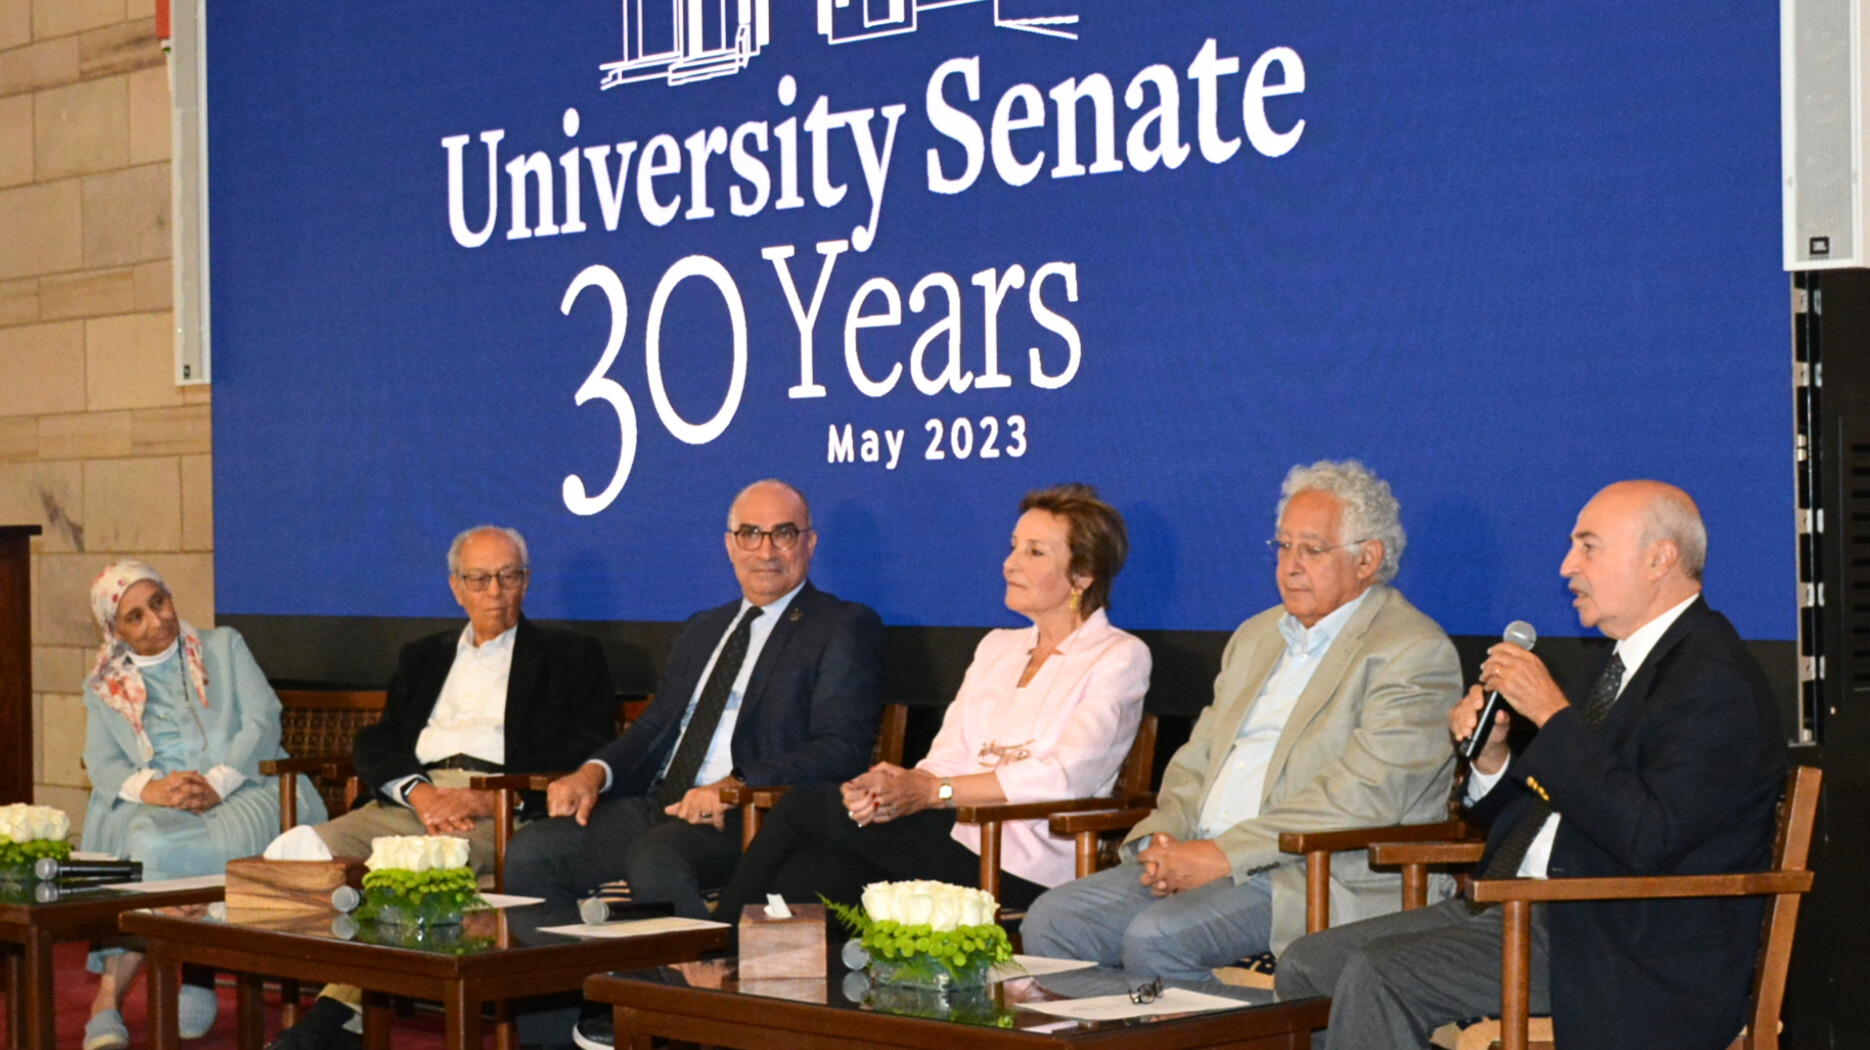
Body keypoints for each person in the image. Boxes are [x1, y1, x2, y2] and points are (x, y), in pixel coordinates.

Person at [1275, 481, 1787, 1050]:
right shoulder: (1617, 667)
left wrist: (1552, 714)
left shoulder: (1714, 681)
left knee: (1378, 974)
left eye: (1589, 547)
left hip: (1618, 944)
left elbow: (1650, 836)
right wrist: (1494, 756)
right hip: (1522, 910)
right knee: (1307, 964)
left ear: (1660, 558)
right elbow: (1552, 810)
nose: (1568, 566)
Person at [1021, 460, 1462, 983]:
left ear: (1368, 559)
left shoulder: (1411, 650)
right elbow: (1197, 759)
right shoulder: (1256, 637)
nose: (1291, 564)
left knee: (1158, 938)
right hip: (1208, 854)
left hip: (1309, 872)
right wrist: (1163, 839)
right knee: (1054, 921)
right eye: (1284, 546)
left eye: (1312, 549)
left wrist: (1223, 855)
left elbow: (1361, 798)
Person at [503, 479, 883, 1050]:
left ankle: (682, 1027)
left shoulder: (842, 625)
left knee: (658, 857)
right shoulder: (703, 628)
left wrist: (736, 785)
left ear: (809, 543)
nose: (766, 549)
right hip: (662, 801)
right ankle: (576, 1018)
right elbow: (656, 727)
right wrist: (593, 773)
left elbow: (841, 747)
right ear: (729, 545)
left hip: (750, 815)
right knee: (533, 855)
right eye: (750, 534)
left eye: (783, 533)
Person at [713, 483, 1151, 920]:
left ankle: (705, 944)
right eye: (1013, 547)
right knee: (814, 874)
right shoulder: (997, 647)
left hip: (1023, 863)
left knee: (807, 806)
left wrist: (933, 792)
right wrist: (895, 788)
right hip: (950, 835)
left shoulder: (1118, 656)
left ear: (1083, 575)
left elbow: (1063, 780)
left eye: (1034, 553)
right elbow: (945, 760)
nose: (1009, 564)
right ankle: (741, 974)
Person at [268, 525, 616, 1050]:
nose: (495, 592)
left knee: (412, 877)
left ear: (527, 582)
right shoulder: (423, 656)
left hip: (494, 807)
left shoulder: (569, 655)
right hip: (413, 798)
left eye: (508, 577)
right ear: (456, 587)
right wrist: (420, 794)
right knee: (293, 858)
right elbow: (380, 740)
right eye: (480, 579)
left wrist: (488, 795)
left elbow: (586, 746)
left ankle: (337, 1017)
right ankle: (342, 1004)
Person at [80, 561, 327, 1050]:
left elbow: (262, 721)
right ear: (116, 631)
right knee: (143, 846)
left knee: (207, 847)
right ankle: (108, 1000)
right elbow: (102, 762)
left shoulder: (224, 645)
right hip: (159, 801)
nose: (157, 620)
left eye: (159, 602)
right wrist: (151, 788)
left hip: (244, 786)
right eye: (136, 617)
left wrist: (218, 781)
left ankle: (196, 970)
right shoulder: (103, 685)